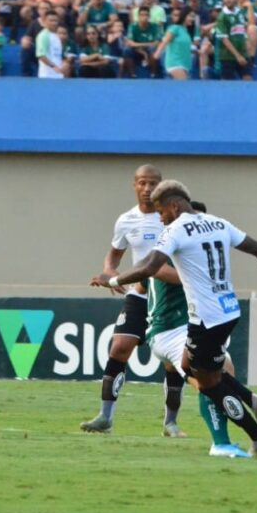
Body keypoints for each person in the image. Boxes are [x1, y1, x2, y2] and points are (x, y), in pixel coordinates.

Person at [93, 180, 257, 457]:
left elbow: (150, 266)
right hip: (229, 309)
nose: (160, 218)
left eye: (161, 212)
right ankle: (256, 404)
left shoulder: (176, 230)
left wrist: (112, 278)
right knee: (189, 365)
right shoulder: (218, 222)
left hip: (206, 320)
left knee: (209, 385)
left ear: (174, 206)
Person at [80, 166, 173, 435]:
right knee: (119, 347)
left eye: (152, 183)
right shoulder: (126, 220)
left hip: (169, 299)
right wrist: (110, 271)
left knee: (172, 360)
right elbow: (114, 256)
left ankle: (170, 422)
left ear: (161, 186)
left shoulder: (170, 217)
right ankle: (105, 417)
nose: (147, 188)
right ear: (134, 185)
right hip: (140, 295)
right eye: (142, 183)